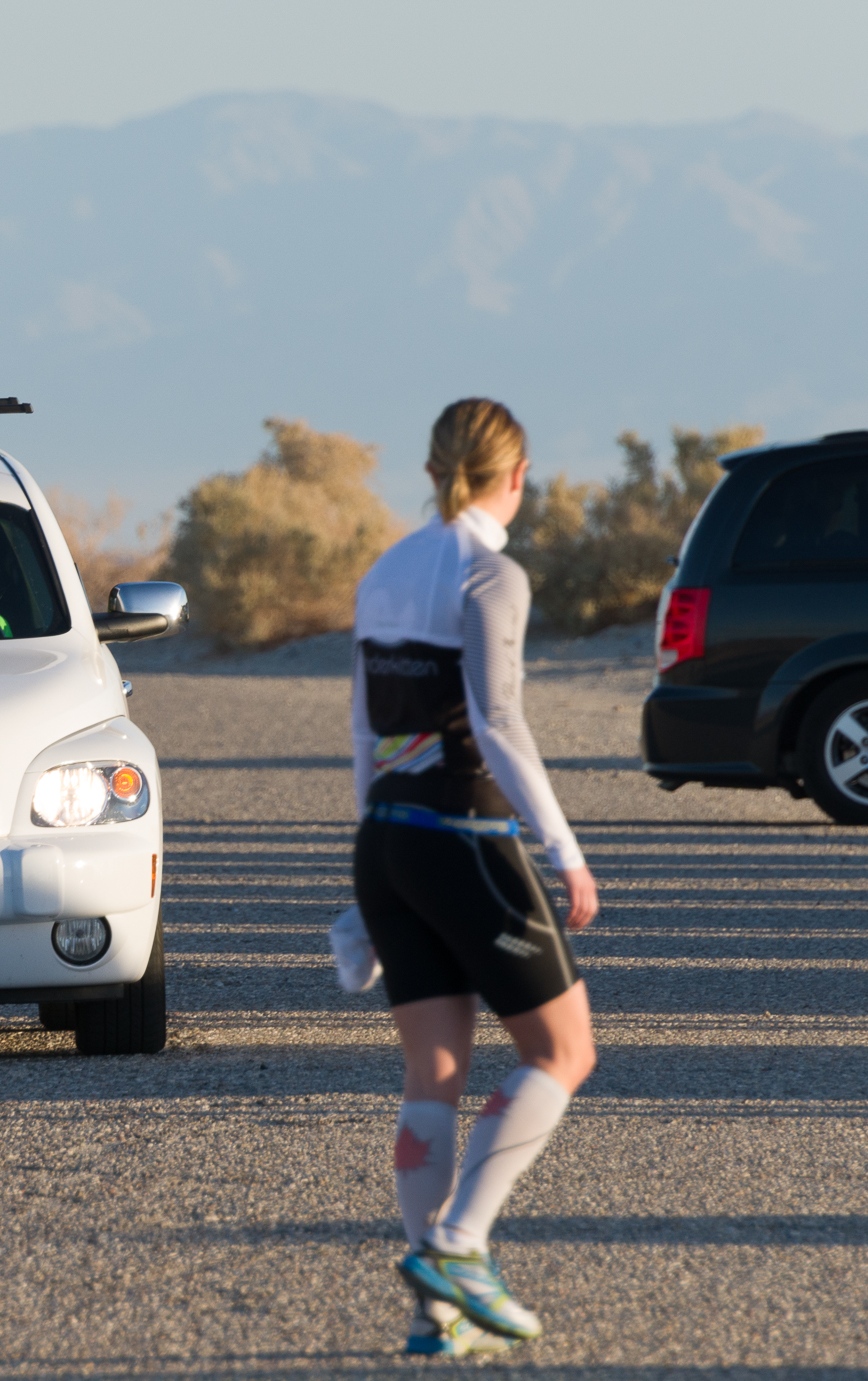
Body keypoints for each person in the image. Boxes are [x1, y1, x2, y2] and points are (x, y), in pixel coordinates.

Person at [348, 398, 599, 1358]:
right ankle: (457, 1244)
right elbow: (496, 720)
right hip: (462, 833)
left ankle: (433, 1318)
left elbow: (366, 730)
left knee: (433, 1073)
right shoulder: (492, 573)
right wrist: (564, 849)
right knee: (563, 1051)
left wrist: (361, 881)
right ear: (517, 472)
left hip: (389, 840)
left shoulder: (386, 568)